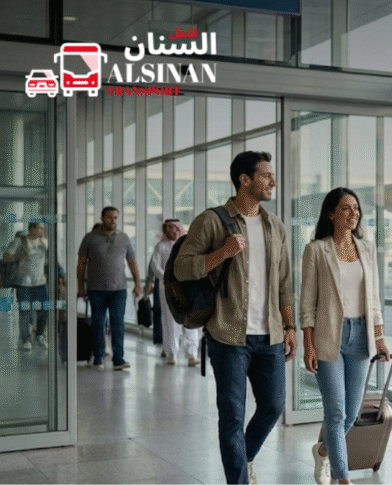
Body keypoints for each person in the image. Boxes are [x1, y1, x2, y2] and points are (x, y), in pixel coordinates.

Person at [174, 151, 296, 484]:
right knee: (231, 417)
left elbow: (285, 283)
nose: (273, 181)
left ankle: (244, 457)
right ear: (245, 179)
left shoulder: (275, 226)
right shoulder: (211, 221)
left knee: (273, 406)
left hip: (269, 335)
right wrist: (223, 252)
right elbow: (182, 268)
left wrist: (290, 327)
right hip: (227, 336)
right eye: (266, 175)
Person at [301, 188, 389, 485]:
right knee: (336, 412)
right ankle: (342, 478)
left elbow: (374, 299)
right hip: (330, 339)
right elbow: (308, 303)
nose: (353, 214)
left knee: (351, 414)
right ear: (330, 213)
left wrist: (379, 338)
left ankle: (323, 450)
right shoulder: (316, 250)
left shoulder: (366, 248)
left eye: (356, 209)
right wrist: (308, 344)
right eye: (345, 209)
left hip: (360, 336)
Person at [77, 207, 142, 370]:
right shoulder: (89, 238)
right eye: (109, 218)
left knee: (118, 323)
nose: (113, 221)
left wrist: (138, 284)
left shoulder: (124, 238)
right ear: (102, 218)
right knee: (98, 323)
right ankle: (98, 356)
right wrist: (80, 287)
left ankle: (118, 359)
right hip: (96, 289)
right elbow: (81, 264)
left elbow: (132, 262)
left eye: (115, 218)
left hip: (119, 289)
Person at [145, 219, 200, 366]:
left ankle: (192, 355)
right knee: (170, 321)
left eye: (173, 227)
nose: (170, 230)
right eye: (167, 228)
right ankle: (172, 354)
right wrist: (167, 277)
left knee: (190, 320)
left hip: (187, 288)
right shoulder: (161, 246)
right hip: (168, 288)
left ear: (179, 228)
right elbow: (155, 265)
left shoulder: (188, 245)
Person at [4, 223, 61, 351]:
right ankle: (26, 339)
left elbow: (52, 259)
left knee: (45, 310)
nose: (42, 230)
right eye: (40, 228)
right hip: (23, 283)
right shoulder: (20, 241)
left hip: (40, 283)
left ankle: (39, 335)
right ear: (32, 229)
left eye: (43, 228)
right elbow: (6, 257)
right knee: (25, 312)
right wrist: (19, 256)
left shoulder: (45, 242)